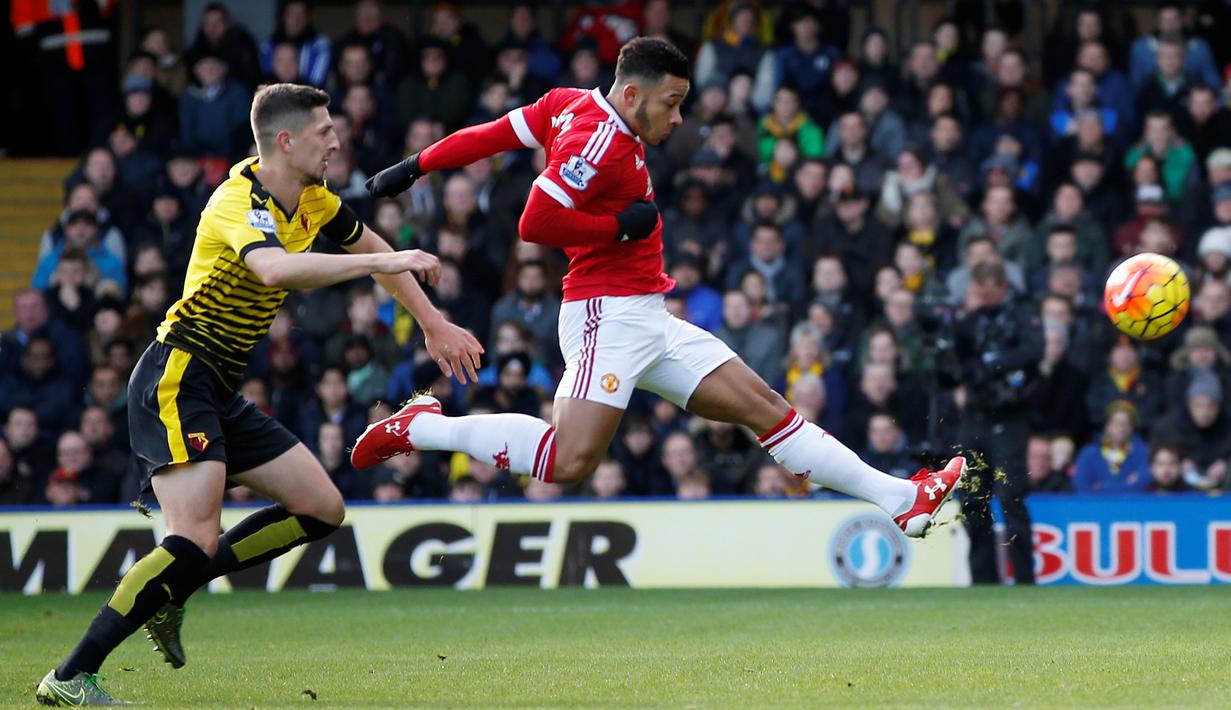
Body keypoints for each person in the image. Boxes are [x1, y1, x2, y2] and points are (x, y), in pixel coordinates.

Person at [355, 38, 963, 538]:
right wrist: (616, 226)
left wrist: (414, 167)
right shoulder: (600, 140)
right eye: (671, 104)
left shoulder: (570, 103)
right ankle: (418, 427)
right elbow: (534, 222)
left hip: (648, 315)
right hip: (605, 315)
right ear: (631, 93)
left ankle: (901, 500)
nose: (677, 118)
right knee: (568, 462)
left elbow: (492, 134)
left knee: (768, 411)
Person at [35, 83, 481, 706]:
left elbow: (377, 251)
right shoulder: (235, 199)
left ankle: (173, 588)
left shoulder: (316, 200)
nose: (336, 140)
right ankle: (69, 677)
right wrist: (388, 262)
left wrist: (433, 322)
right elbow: (276, 270)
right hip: (177, 375)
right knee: (193, 540)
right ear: (285, 140)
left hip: (217, 387)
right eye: (325, 131)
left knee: (322, 508)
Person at [948, 261, 1041, 586]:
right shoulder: (969, 323)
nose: (982, 301)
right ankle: (983, 580)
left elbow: (1034, 351)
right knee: (972, 499)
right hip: (974, 417)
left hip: (1010, 417)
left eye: (987, 295)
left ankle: (1025, 579)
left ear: (1002, 288)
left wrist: (991, 363)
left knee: (1011, 495)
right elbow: (953, 364)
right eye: (978, 295)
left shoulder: (1022, 314)